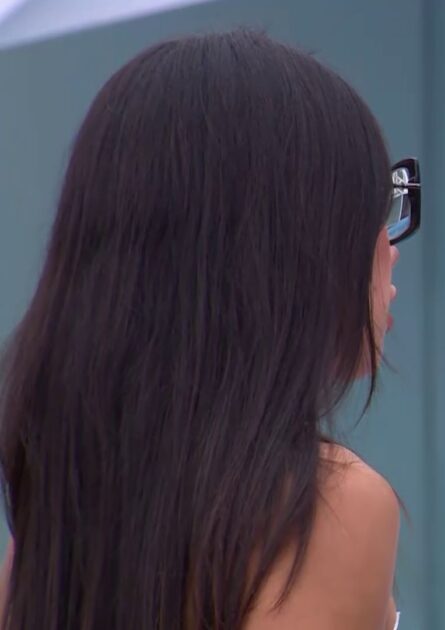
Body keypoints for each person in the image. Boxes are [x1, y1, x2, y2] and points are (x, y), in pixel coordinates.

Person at [0, 29, 421, 629]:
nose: (391, 248)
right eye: (370, 210)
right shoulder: (331, 508)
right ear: (287, 257)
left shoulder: (61, 512)